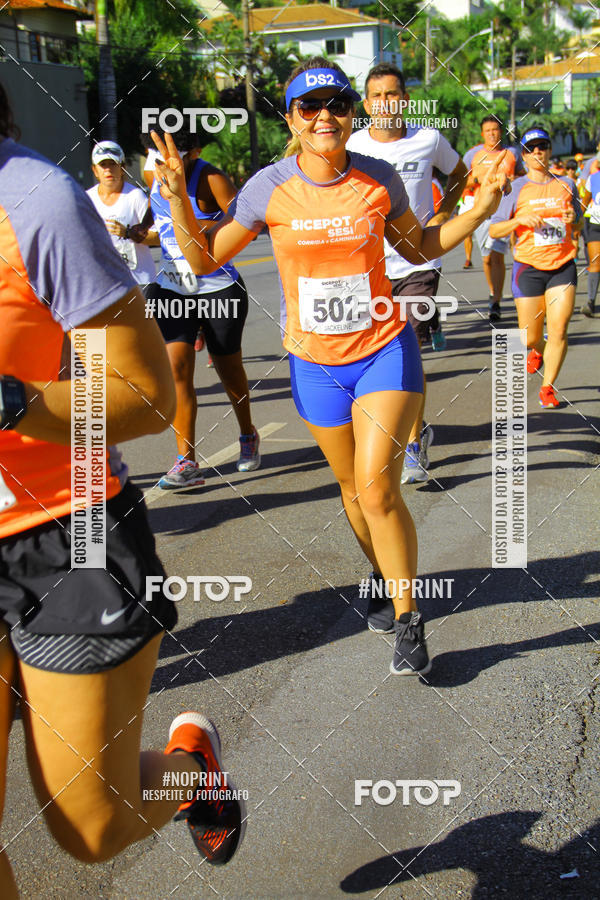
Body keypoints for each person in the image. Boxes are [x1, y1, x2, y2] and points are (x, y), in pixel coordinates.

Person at [151, 57, 507, 675]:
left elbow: (418, 246)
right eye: (308, 107)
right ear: (291, 119)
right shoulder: (268, 187)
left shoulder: (376, 178)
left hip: (383, 349)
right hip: (314, 364)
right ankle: (383, 575)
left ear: (351, 113)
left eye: (336, 104)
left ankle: (408, 619)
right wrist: (180, 198)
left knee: (377, 487)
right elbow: (205, 259)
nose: (324, 117)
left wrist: (478, 212)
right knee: (351, 491)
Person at [0, 82, 245, 895]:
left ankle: (193, 773)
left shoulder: (34, 201)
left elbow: (144, 396)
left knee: (92, 826)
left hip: (64, 529)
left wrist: (10, 402)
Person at [347, 62, 469, 484]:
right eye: (377, 96)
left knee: (408, 351)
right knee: (370, 354)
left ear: (406, 100)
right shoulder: (352, 144)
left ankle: (414, 443)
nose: (385, 102)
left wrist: (443, 214)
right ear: (367, 105)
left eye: (393, 94)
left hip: (418, 262)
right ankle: (385, 427)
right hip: (367, 267)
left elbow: (460, 174)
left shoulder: (428, 139)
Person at [143, 129, 261, 488]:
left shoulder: (212, 179)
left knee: (229, 370)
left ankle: (247, 432)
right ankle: (186, 461)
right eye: (154, 152)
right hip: (171, 288)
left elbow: (247, 223)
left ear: (193, 152)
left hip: (218, 289)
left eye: (171, 153)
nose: (161, 161)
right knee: (176, 370)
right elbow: (157, 223)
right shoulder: (152, 173)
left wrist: (198, 226)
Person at [489, 127, 581, 408]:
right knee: (530, 336)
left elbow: (578, 220)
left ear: (550, 151)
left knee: (559, 329)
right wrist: (519, 220)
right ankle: (538, 350)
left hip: (562, 265)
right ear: (524, 156)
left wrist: (573, 217)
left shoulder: (567, 183)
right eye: (531, 149)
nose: (537, 152)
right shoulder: (515, 188)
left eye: (542, 146)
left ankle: (547, 388)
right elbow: (494, 230)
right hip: (528, 267)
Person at [463, 115, 525, 321]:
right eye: (488, 130)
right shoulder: (473, 155)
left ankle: (496, 300)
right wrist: (478, 178)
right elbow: (461, 182)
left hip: (503, 212)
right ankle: (492, 291)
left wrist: (513, 179)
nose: (492, 134)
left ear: (501, 132)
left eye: (495, 130)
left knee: (497, 256)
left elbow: (524, 176)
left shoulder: (512, 154)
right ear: (482, 133)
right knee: (487, 258)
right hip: (482, 211)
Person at [86, 140, 156, 289]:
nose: (108, 170)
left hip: (140, 282)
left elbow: (158, 237)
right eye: (103, 165)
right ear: (95, 170)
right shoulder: (87, 199)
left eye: (113, 164)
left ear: (122, 168)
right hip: (105, 285)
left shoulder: (135, 196)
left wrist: (128, 233)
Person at [579, 163, 600, 316]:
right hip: (596, 225)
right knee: (595, 263)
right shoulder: (593, 178)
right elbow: (585, 201)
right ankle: (590, 302)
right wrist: (577, 222)